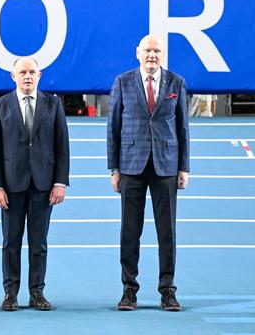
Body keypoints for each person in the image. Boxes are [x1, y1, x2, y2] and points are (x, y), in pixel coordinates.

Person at [107, 35, 189, 312]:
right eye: (148, 50)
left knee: (167, 232)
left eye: (157, 51)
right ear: (137, 53)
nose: (152, 55)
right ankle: (129, 290)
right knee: (130, 231)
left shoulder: (176, 82)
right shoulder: (122, 82)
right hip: (131, 165)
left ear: (163, 55)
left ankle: (168, 291)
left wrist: (184, 168)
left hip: (166, 165)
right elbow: (113, 127)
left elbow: (183, 128)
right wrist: (114, 169)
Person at [0, 57, 70, 311]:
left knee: (39, 243)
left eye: (32, 72)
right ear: (13, 76)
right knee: (11, 242)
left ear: (39, 75)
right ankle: (10, 292)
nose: (28, 76)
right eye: (22, 72)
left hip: (43, 185)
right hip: (11, 186)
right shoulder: (0, 106)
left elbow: (62, 147)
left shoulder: (53, 104)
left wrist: (60, 182)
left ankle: (37, 292)